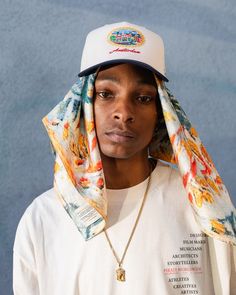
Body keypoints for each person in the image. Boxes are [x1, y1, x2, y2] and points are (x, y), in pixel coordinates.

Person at [13, 21, 236, 295]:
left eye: (143, 98)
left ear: (162, 114)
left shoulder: (202, 205)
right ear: (81, 108)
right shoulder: (44, 217)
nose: (123, 112)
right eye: (106, 94)